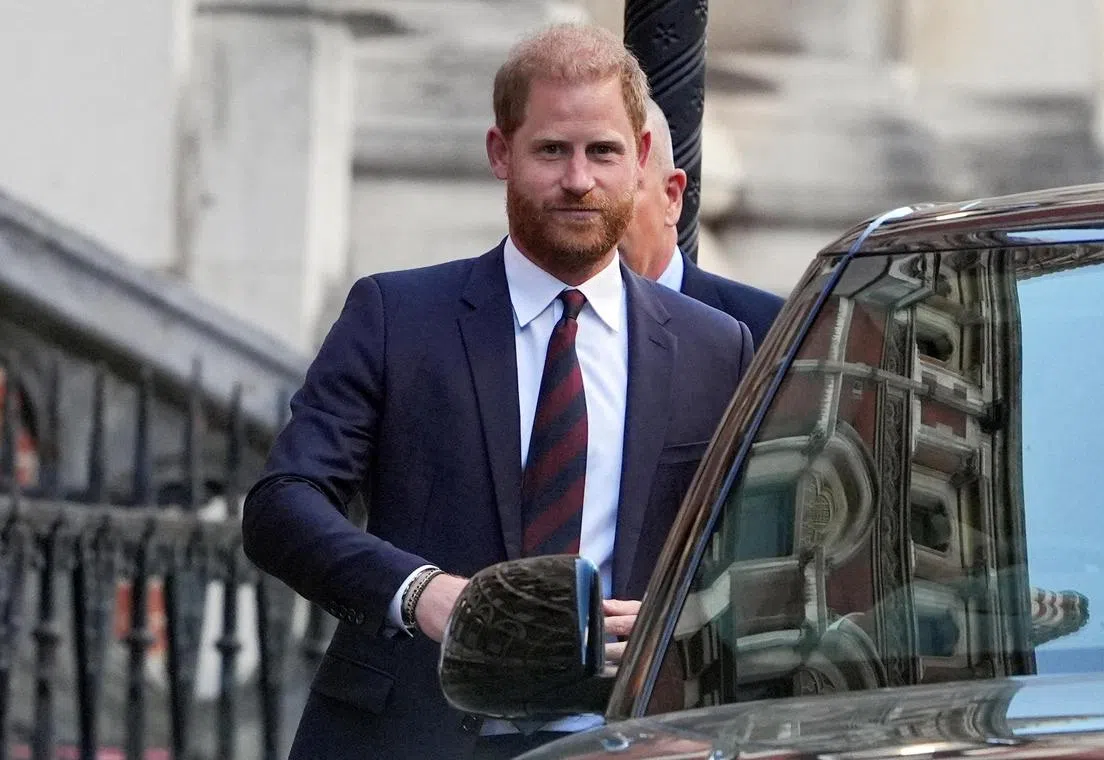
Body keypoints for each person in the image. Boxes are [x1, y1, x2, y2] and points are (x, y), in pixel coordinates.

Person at [241, 23, 753, 760]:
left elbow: (763, 558)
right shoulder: (396, 316)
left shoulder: (714, 347)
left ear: (641, 160)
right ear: (499, 153)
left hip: (625, 742)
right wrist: (423, 594)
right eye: (551, 150)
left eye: (602, 151)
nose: (578, 179)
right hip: (407, 733)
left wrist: (687, 632)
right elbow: (281, 504)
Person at [619, 99, 785, 349]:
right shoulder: (553, 323)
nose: (594, 208)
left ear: (672, 197)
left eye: (624, 189)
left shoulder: (768, 329)